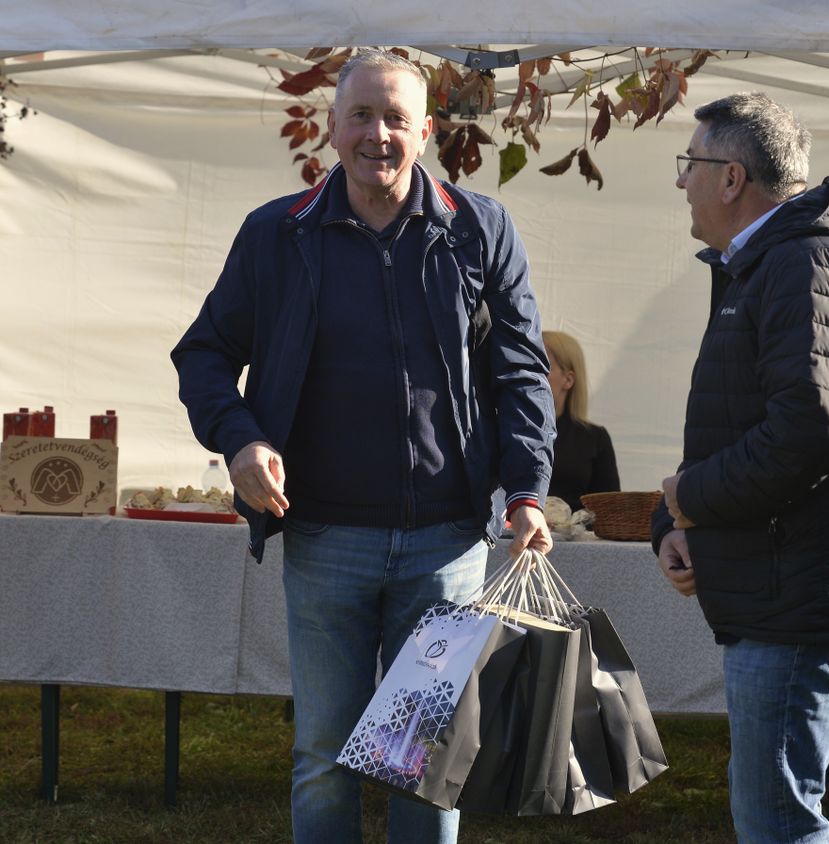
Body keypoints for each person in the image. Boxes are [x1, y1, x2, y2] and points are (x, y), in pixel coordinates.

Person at [171, 50, 555, 844]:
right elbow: (203, 355)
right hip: (323, 541)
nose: (377, 134)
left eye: (396, 120)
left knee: (423, 763)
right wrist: (240, 441)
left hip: (446, 546)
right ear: (332, 125)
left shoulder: (479, 230)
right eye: (361, 116)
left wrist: (525, 491)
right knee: (323, 755)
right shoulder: (276, 234)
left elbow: (522, 374)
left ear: (426, 131)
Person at [651, 91, 829, 844]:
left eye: (689, 165)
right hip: (788, 588)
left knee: (776, 825)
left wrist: (689, 500)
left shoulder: (809, 263)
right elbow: (748, 420)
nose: (680, 182)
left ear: (732, 179)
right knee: (775, 816)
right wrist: (677, 519)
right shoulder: (777, 261)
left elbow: (805, 436)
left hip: (802, 601)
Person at [542, 330, 620, 511]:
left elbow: (609, 508)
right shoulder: (508, 430)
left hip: (576, 536)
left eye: (543, 366)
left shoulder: (594, 438)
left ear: (568, 380)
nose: (531, 374)